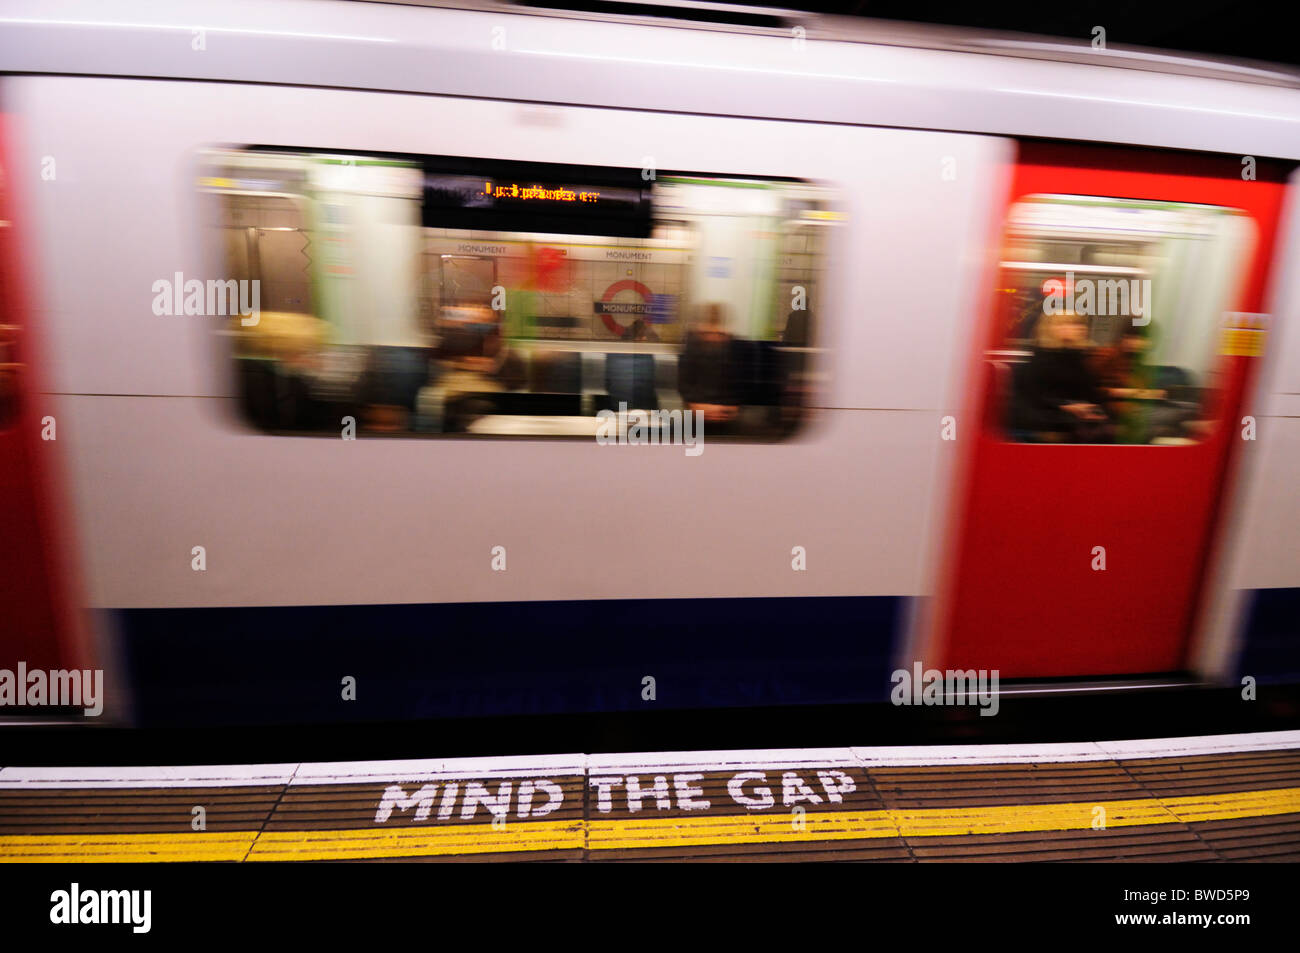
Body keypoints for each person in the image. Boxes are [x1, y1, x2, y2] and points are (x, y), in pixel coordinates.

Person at [1010, 310, 1113, 443]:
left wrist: (1094, 410)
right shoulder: (1039, 360)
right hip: (1044, 420)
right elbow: (1033, 398)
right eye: (1068, 324)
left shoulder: (1079, 360)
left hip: (1069, 420)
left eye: (1079, 325)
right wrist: (1065, 406)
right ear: (1050, 329)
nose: (1079, 329)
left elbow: (1092, 394)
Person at [677, 302, 739, 426]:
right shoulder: (693, 343)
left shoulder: (730, 344)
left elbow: (737, 381)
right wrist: (695, 405)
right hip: (700, 410)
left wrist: (729, 407)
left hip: (721, 412)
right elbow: (684, 381)